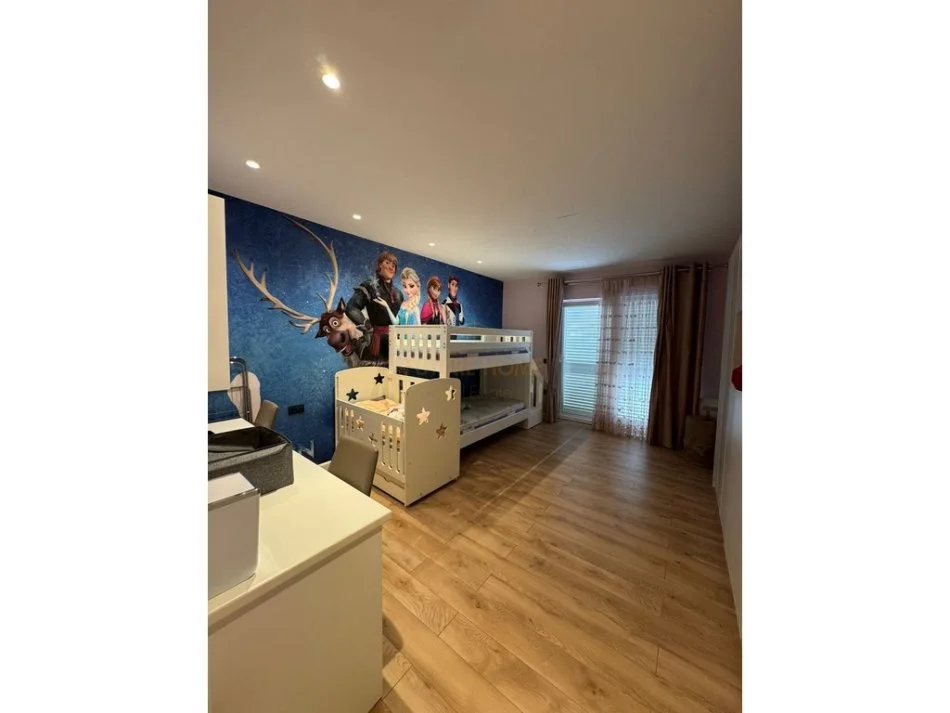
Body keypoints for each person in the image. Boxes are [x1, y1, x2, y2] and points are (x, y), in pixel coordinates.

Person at [345, 251, 403, 359]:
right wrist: (367, 326)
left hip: (396, 343)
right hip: (377, 342)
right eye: (387, 263)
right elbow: (351, 308)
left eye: (394, 265)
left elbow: (398, 320)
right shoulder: (369, 286)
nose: (391, 267)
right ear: (380, 265)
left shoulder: (399, 294)